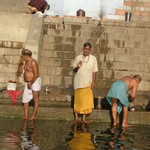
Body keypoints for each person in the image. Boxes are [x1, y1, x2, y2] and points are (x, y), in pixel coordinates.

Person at [73, 42, 98, 124]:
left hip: (88, 83)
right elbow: (74, 70)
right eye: (85, 49)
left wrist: (93, 82)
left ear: (90, 50)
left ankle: (83, 119)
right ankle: (76, 118)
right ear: (83, 49)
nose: (86, 50)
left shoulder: (93, 59)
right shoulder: (78, 58)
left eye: (88, 49)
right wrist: (78, 66)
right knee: (78, 101)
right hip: (78, 83)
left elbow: (94, 72)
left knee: (86, 102)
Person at [21, 48, 41, 120]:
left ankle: (33, 116)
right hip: (28, 82)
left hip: (34, 82)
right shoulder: (26, 61)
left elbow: (36, 74)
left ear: (26, 56)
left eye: (23, 56)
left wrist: (31, 83)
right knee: (25, 100)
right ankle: (26, 116)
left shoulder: (33, 62)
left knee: (35, 99)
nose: (22, 57)